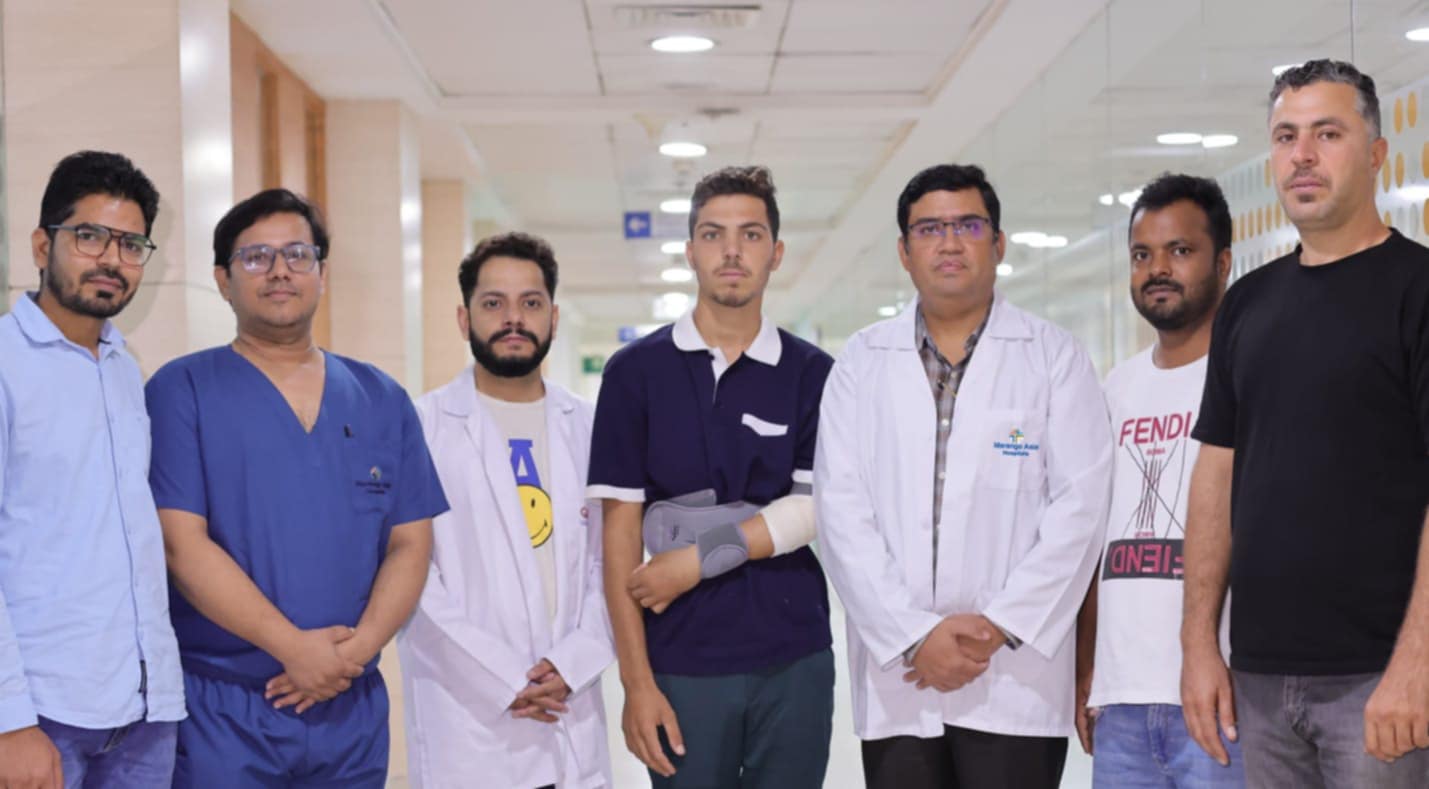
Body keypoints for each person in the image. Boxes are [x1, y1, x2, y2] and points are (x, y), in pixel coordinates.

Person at [814, 163, 1112, 789]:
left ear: (998, 243)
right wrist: (912, 635)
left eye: (968, 226)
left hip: (1014, 678)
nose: (949, 242)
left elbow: (1081, 511)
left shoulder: (1054, 358)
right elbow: (841, 513)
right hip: (902, 677)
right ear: (904, 251)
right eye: (929, 229)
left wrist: (998, 627)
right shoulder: (861, 363)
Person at [146, 188, 448, 787]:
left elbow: (411, 543)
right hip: (225, 709)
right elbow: (181, 544)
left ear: (322, 273)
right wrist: (292, 648)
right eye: (256, 257)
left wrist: (351, 655)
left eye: (297, 254)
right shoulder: (182, 390)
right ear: (223, 280)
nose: (280, 270)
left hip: (349, 703)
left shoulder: (381, 398)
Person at [1181, 58, 1429, 788]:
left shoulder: (1417, 290)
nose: (1303, 155)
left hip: (1379, 680)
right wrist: (1198, 643)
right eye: (1286, 136)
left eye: (1327, 133)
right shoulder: (1246, 303)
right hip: (1260, 681)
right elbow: (1215, 477)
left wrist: (1417, 663)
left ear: (1376, 153)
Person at [589, 165, 835, 787]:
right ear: (690, 252)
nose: (731, 250)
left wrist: (699, 559)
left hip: (794, 658)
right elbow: (619, 536)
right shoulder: (634, 373)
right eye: (712, 234)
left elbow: (813, 508)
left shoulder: (814, 374)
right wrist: (636, 683)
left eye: (751, 235)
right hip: (682, 659)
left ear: (776, 253)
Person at [398, 231, 613, 788]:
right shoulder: (419, 428)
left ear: (554, 319)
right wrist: (505, 676)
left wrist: (574, 662)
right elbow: (411, 578)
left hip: (571, 709)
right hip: (469, 725)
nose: (513, 318)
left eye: (531, 303)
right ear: (463, 318)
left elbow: (611, 561)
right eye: (493, 303)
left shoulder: (591, 428)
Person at [0, 150, 183, 788]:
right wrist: (8, 719)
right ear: (41, 245)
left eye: (131, 244)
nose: (111, 258)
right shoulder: (6, 364)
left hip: (143, 713)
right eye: (89, 236)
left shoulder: (124, 369)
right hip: (41, 713)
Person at [1074, 172, 1242, 788]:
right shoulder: (1115, 387)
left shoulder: (1248, 377)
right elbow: (1096, 540)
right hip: (1122, 704)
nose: (1157, 270)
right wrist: (1087, 668)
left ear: (1222, 262)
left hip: (1222, 701)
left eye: (1180, 250)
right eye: (1142, 255)